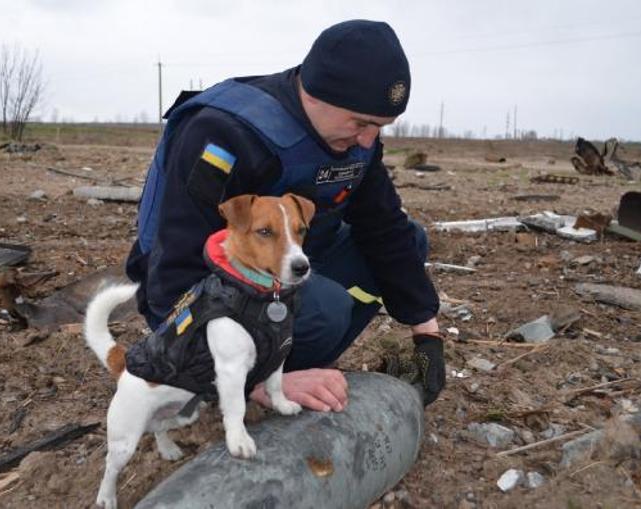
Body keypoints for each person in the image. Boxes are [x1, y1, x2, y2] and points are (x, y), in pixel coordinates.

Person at [126, 19, 444, 413]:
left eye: (380, 128)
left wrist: (427, 337)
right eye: (361, 122)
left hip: (288, 259)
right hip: (198, 288)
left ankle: (300, 362)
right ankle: (246, 376)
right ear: (316, 94)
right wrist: (258, 385)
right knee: (325, 310)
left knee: (410, 242)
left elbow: (385, 228)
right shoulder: (225, 133)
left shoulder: (357, 141)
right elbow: (174, 276)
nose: (367, 140)